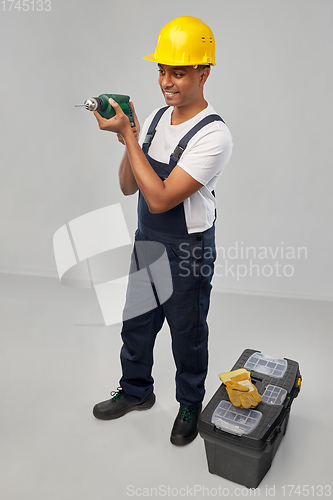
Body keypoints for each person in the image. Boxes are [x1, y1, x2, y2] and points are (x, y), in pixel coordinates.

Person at [92, 16, 233, 446]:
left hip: (187, 249)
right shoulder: (154, 118)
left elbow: (161, 198)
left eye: (178, 71)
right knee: (135, 323)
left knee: (186, 334)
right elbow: (128, 185)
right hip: (148, 241)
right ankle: (136, 392)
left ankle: (190, 403)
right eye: (161, 70)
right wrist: (131, 136)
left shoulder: (215, 135)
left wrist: (130, 139)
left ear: (203, 72)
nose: (166, 81)